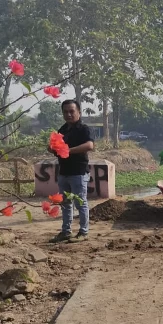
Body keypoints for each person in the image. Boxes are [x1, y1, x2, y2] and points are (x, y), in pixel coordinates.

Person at [49, 100, 94, 243]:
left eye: (71, 111)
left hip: (78, 172)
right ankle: (66, 231)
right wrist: (52, 148)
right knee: (66, 203)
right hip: (64, 171)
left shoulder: (84, 129)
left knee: (80, 203)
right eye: (65, 112)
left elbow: (89, 145)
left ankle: (83, 232)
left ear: (79, 112)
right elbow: (56, 148)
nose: (68, 114)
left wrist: (68, 151)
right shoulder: (62, 130)